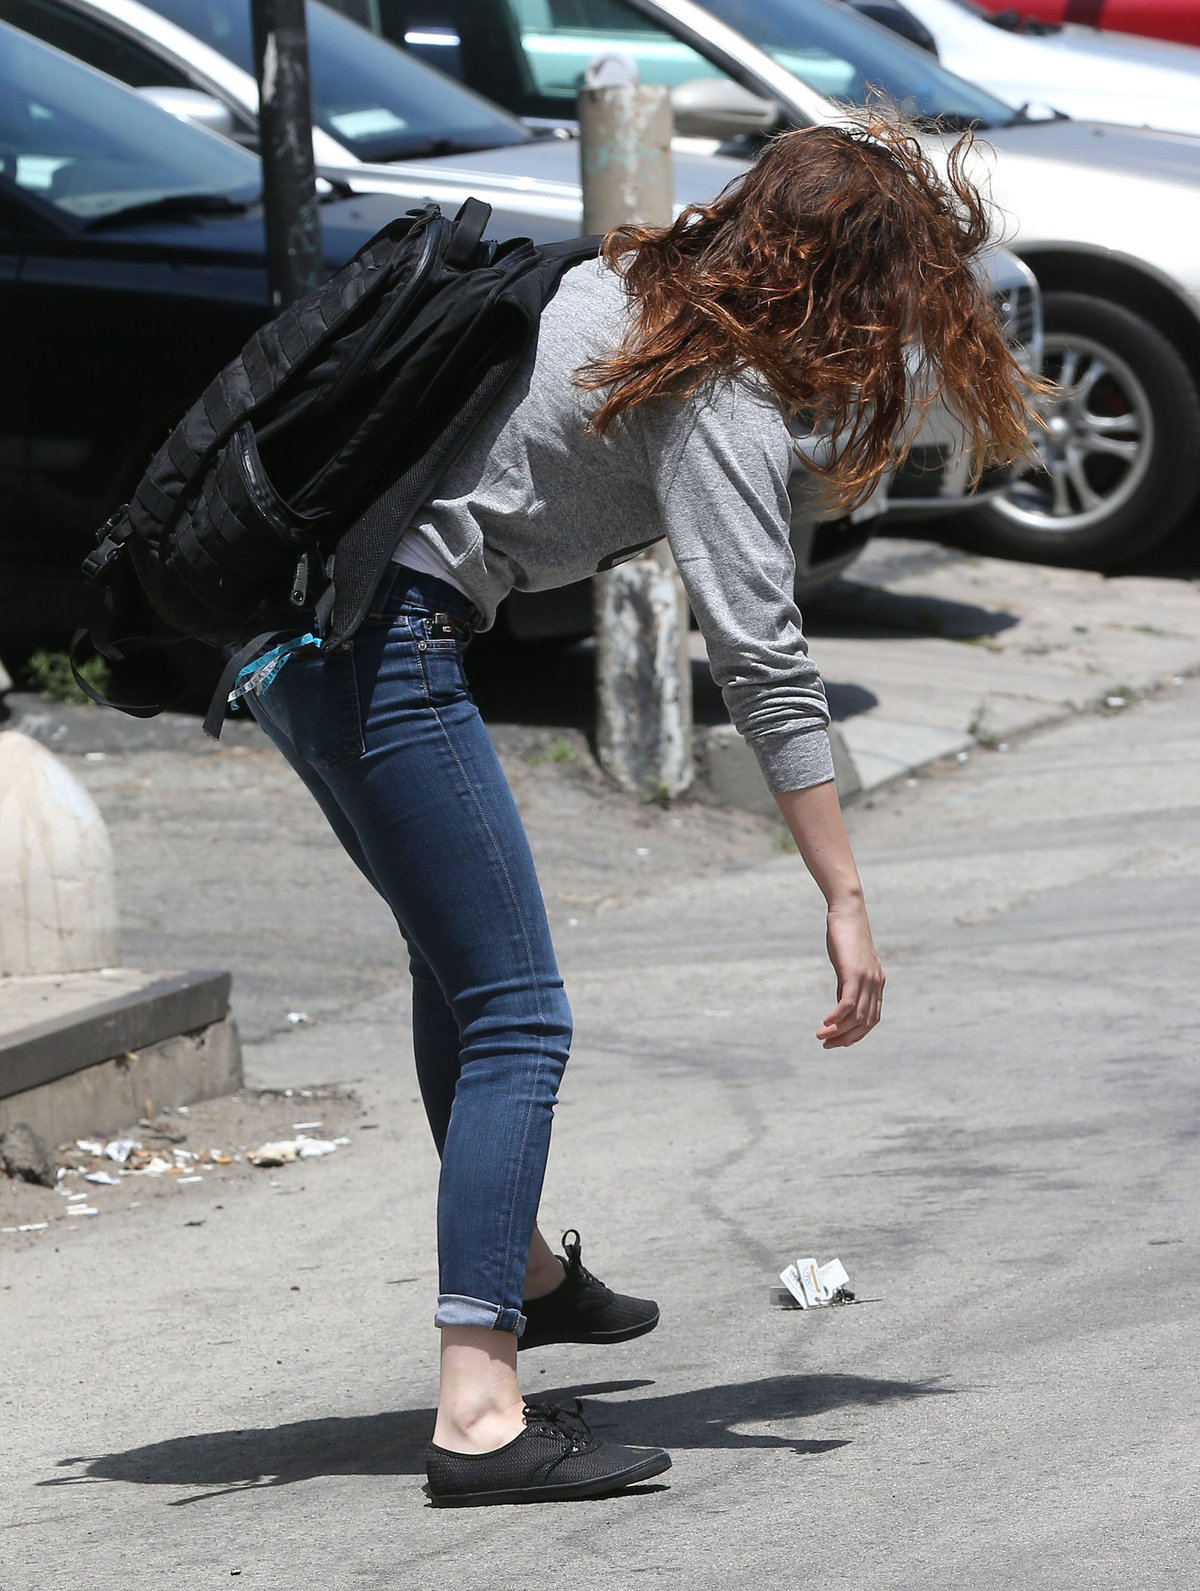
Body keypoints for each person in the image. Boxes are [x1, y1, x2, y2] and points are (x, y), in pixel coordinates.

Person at [245, 113, 1041, 1508]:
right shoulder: (714, 389)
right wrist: (846, 893)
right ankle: (480, 1413)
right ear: (837, 290)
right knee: (521, 1017)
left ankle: (531, 1276)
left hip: (308, 643)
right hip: (388, 647)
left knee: (468, 982)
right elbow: (760, 654)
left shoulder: (621, 284)